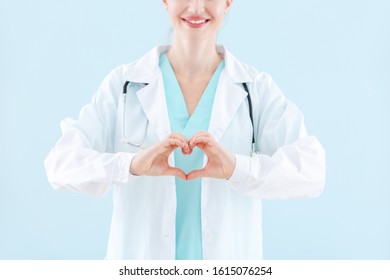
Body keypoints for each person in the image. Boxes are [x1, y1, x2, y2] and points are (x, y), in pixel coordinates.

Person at [44, 0, 325, 260]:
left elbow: (312, 171)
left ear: (228, 2)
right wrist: (130, 165)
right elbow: (60, 164)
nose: (196, 7)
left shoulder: (255, 88)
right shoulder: (124, 84)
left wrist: (239, 169)